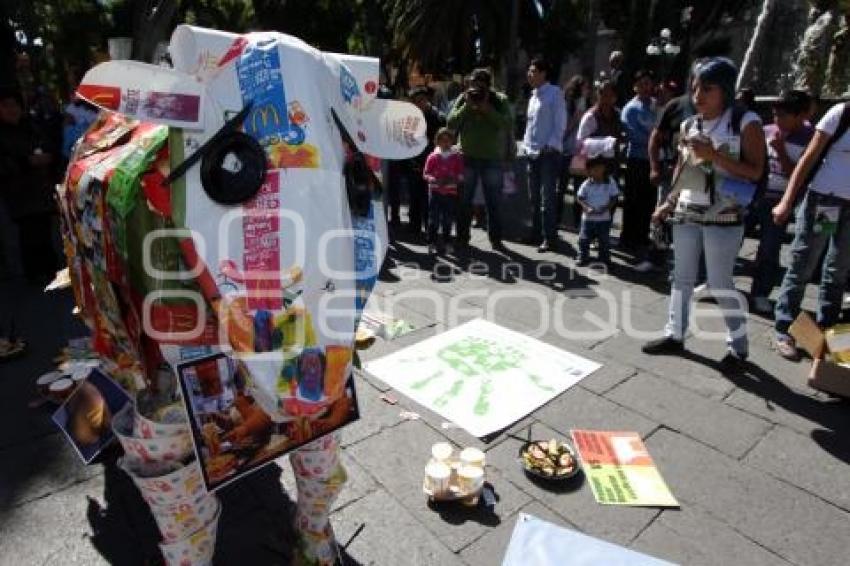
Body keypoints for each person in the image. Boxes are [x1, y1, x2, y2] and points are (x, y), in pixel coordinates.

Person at [643, 57, 766, 373]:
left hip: (724, 214)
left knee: (720, 283)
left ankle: (738, 349)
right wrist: (668, 202)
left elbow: (755, 172)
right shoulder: (689, 124)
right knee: (681, 278)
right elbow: (683, 170)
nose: (698, 95)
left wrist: (714, 156)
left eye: (707, 88)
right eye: (695, 87)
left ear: (725, 90)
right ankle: (675, 334)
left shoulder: (745, 121)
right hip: (686, 211)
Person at [771, 100, 850, 360]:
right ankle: (785, 328)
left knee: (838, 270)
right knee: (804, 263)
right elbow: (809, 158)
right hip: (825, 201)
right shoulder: (842, 113)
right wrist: (787, 200)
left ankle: (830, 335)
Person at [750, 91, 815, 315]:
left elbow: (799, 176)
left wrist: (780, 150)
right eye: (775, 114)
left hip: (780, 200)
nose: (777, 120)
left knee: (769, 248)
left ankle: (760, 293)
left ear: (800, 116)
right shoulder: (767, 131)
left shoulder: (811, 139)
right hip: (755, 195)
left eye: (783, 116)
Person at [447, 68, 513, 250]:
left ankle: (496, 239)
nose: (476, 89)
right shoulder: (464, 98)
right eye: (473, 84)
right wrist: (467, 106)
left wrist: (487, 110)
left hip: (491, 159)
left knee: (494, 202)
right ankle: (462, 237)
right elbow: (450, 122)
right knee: (463, 201)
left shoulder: (499, 100)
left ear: (488, 86)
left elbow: (507, 124)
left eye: (480, 85)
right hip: (466, 157)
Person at [0, 87, 59, 285]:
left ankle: (50, 268)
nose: (11, 110)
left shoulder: (31, 126)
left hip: (40, 187)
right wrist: (26, 162)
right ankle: (33, 272)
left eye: (14, 105)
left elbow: (48, 144)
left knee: (43, 228)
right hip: (17, 192)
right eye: (6, 106)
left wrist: (48, 157)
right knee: (27, 232)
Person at [522, 58, 567, 252]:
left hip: (548, 153)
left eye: (533, 71)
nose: (529, 74)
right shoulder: (533, 96)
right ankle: (536, 233)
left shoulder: (554, 93)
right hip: (532, 153)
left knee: (547, 198)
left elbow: (560, 122)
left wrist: (551, 145)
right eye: (529, 71)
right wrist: (525, 145)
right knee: (534, 197)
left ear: (543, 73)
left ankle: (550, 237)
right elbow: (530, 125)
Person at [620, 70, 658, 265]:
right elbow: (632, 134)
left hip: (651, 160)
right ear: (635, 86)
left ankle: (643, 234)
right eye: (641, 83)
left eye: (648, 83)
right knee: (633, 199)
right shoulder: (631, 108)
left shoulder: (653, 106)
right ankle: (628, 236)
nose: (645, 87)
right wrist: (653, 140)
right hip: (635, 158)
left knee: (648, 200)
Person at [408, 86, 446, 236]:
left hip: (432, 163)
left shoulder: (438, 117)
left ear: (427, 100)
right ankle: (414, 227)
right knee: (414, 196)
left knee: (431, 198)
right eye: (415, 102)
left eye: (421, 100)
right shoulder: (410, 117)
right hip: (415, 161)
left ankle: (431, 228)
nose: (419, 104)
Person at [422, 127, 463, 255]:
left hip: (450, 193)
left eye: (448, 140)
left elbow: (461, 174)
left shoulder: (456, 157)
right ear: (437, 142)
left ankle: (447, 242)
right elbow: (426, 174)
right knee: (433, 219)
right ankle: (431, 242)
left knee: (448, 219)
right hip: (435, 192)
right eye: (442, 140)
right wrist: (434, 180)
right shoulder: (432, 157)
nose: (446, 143)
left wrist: (454, 179)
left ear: (452, 141)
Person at [561, 75, 592, 228]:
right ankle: (564, 219)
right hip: (569, 149)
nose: (588, 90)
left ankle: (576, 221)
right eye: (585, 87)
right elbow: (571, 124)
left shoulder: (583, 103)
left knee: (578, 187)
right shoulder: (572, 103)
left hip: (579, 152)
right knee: (563, 185)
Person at [577, 155, 620, 265]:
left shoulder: (610, 182)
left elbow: (614, 197)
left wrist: (607, 208)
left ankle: (604, 258)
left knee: (604, 240)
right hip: (588, 218)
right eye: (593, 170)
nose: (596, 172)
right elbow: (580, 197)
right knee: (584, 239)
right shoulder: (587, 183)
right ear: (589, 171)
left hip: (604, 218)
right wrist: (586, 207)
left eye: (599, 169)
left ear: (604, 169)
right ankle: (583, 256)